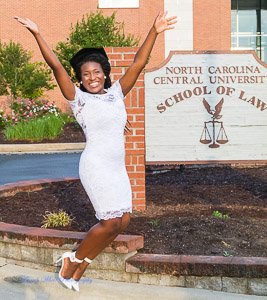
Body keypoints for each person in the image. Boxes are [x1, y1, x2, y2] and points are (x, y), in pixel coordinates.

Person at [15, 12, 177, 292]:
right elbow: (55, 66)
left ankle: (80, 269)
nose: (92, 77)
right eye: (86, 74)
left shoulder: (116, 94)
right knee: (110, 220)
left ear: (105, 73)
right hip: (96, 165)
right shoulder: (78, 100)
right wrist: (37, 33)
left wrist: (154, 30)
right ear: (80, 78)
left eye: (97, 72)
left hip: (116, 167)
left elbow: (138, 64)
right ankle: (72, 260)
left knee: (122, 221)